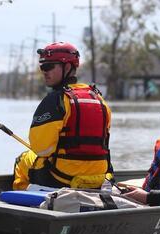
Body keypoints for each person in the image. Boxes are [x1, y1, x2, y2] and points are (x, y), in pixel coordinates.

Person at [13, 42, 112, 190]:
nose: (44, 71)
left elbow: (41, 149)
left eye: (49, 66)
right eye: (42, 67)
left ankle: (25, 197)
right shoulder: (99, 99)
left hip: (61, 177)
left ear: (67, 67)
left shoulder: (56, 100)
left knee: (22, 160)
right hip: (99, 176)